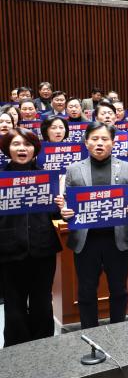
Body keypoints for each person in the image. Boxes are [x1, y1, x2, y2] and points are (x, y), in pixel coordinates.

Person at [55, 122, 128, 329]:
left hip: (117, 238)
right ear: (86, 142)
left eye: (104, 139)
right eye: (94, 139)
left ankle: (118, 330)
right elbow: (67, 200)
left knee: (119, 289)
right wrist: (65, 210)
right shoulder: (74, 169)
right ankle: (90, 333)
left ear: (113, 142)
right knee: (86, 290)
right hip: (86, 240)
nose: (99, 143)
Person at [0, 128, 61, 346]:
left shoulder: (46, 177)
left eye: (27, 144)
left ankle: (43, 347)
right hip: (8, 249)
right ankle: (16, 352)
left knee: (42, 302)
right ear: (8, 148)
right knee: (13, 304)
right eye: (16, 144)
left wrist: (60, 205)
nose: (22, 149)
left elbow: (55, 214)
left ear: (35, 148)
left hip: (42, 247)